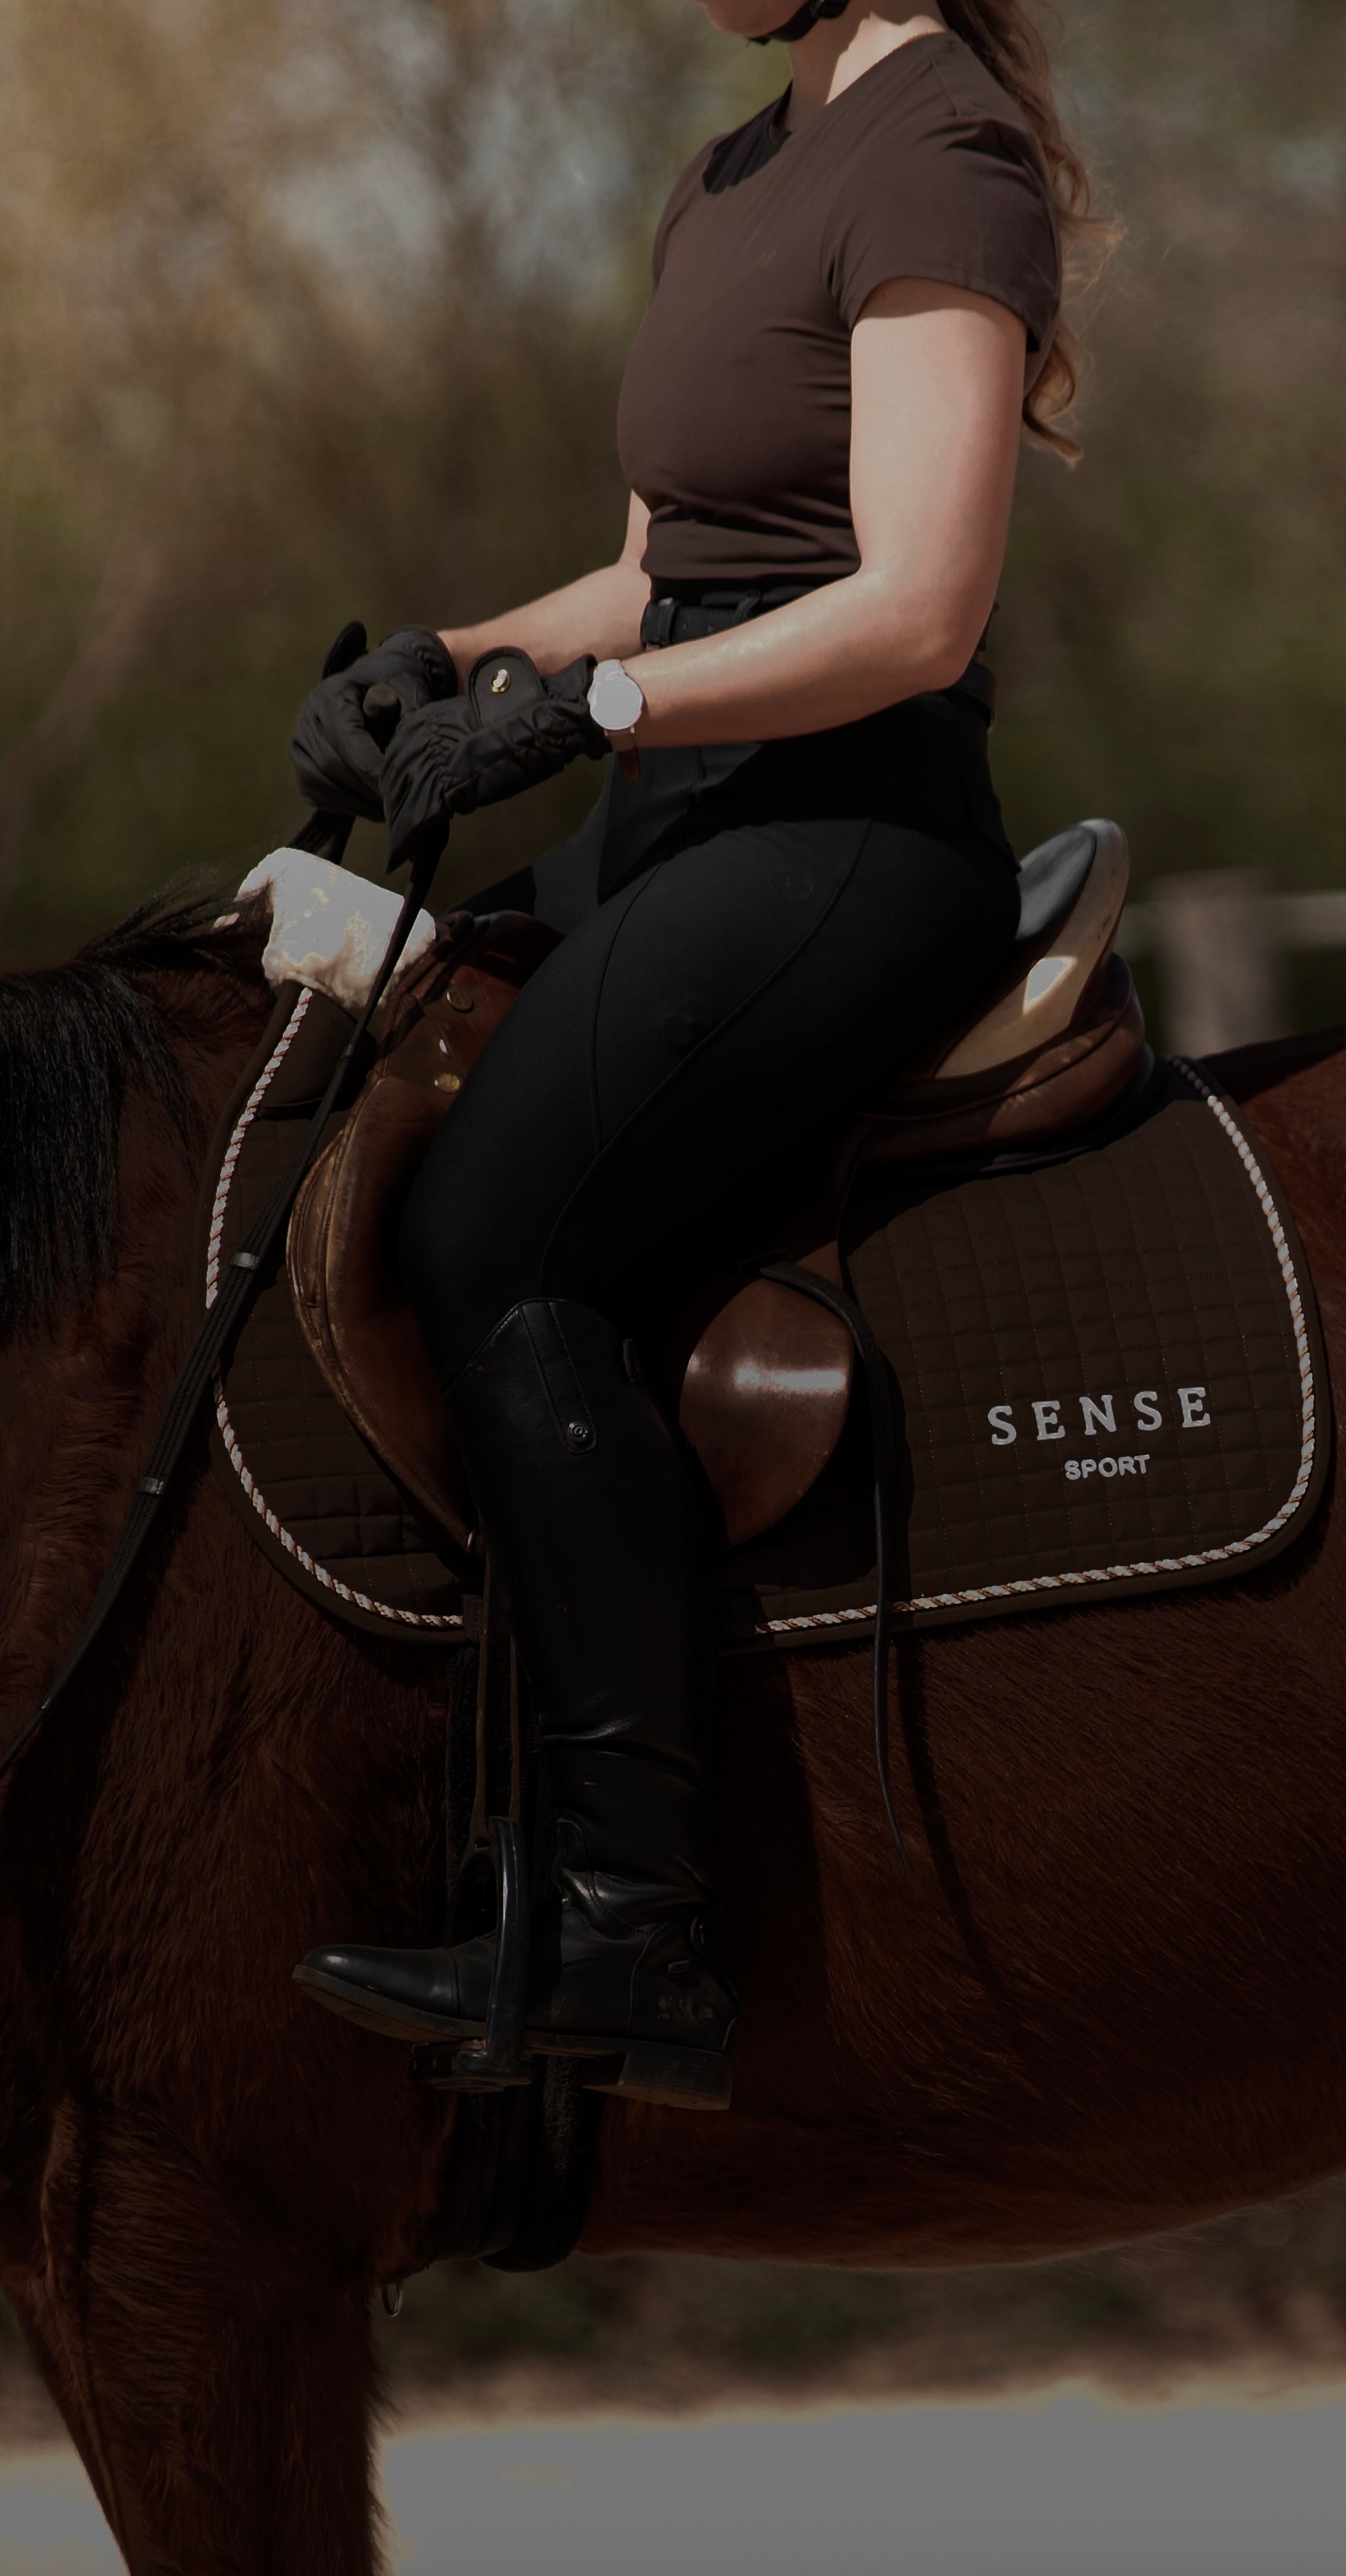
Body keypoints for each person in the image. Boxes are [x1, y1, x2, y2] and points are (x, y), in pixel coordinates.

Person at [290, 0, 1102, 2109]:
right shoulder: (730, 172)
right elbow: (662, 573)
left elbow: (917, 608)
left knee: (494, 1245)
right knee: (305, 1060)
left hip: (847, 833)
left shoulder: (944, 151)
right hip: (673, 823)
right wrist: (449, 661)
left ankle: (633, 1916)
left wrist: (601, 715)